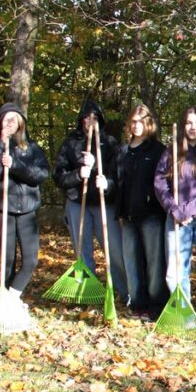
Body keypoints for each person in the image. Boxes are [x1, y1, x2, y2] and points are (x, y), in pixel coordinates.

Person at [53, 100, 128, 303]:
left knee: (114, 249)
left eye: (94, 118)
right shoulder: (70, 143)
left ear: (100, 120)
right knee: (82, 250)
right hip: (78, 202)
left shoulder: (110, 144)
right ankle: (88, 292)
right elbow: (59, 176)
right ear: (81, 120)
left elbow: (118, 176)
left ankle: (124, 291)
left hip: (105, 202)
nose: (90, 121)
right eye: (86, 118)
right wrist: (79, 174)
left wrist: (97, 170)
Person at [154, 106, 196, 324]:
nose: (192, 127)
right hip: (176, 219)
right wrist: (174, 210)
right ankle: (184, 315)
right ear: (183, 126)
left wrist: (189, 211)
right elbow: (159, 182)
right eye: (188, 123)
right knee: (175, 272)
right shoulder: (172, 152)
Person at [0, 102, 49, 300]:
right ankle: (6, 299)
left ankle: (11, 298)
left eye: (13, 119)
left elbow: (41, 174)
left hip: (27, 210)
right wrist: (1, 143)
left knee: (30, 260)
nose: (9, 123)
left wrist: (15, 164)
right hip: (2, 209)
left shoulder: (32, 148)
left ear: (20, 123)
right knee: (8, 259)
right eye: (5, 119)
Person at [114, 104, 169, 320]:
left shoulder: (158, 150)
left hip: (152, 216)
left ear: (149, 124)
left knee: (154, 263)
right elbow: (116, 182)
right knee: (131, 261)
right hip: (127, 216)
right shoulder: (123, 151)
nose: (137, 125)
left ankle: (156, 305)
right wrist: (106, 184)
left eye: (141, 121)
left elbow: (164, 183)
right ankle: (138, 304)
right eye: (133, 121)